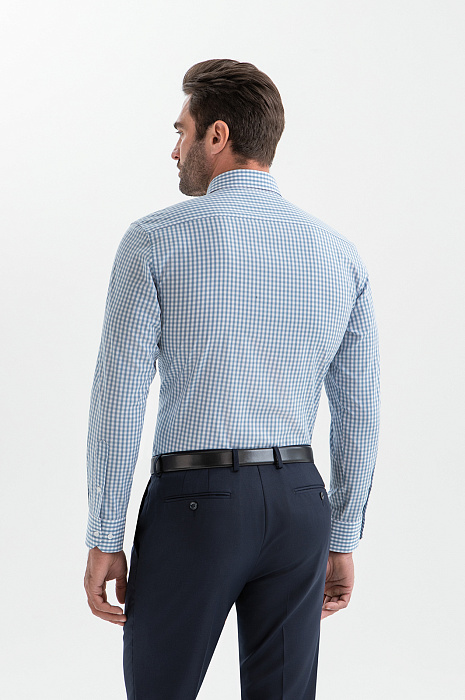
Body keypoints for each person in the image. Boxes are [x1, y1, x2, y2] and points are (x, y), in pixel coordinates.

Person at [83, 58, 380, 700]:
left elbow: (118, 400)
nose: (174, 149)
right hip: (300, 504)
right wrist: (342, 534)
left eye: (181, 130)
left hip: (197, 504)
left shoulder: (155, 240)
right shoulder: (338, 254)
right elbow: (360, 414)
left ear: (217, 135)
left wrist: (105, 534)